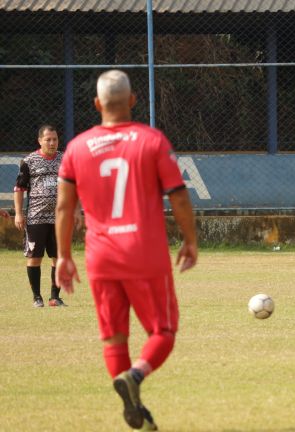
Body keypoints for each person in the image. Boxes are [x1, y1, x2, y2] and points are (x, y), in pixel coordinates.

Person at [55, 69, 198, 431]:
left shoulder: (76, 148)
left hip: (100, 257)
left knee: (114, 337)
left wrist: (63, 257)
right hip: (143, 252)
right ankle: (135, 376)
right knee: (163, 331)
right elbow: (178, 196)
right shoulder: (151, 140)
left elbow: (63, 209)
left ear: (97, 104)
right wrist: (190, 239)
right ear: (133, 100)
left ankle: (137, 413)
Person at [14, 125, 68, 307]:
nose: (52, 143)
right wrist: (19, 214)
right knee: (34, 257)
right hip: (36, 217)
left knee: (58, 257)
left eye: (55, 139)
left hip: (60, 218)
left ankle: (55, 297)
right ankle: (37, 297)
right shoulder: (29, 161)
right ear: (40, 141)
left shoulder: (65, 159)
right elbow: (19, 189)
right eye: (48, 140)